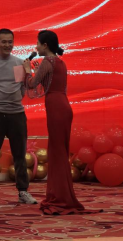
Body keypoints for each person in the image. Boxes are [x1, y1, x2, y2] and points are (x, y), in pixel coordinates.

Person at [23, 30, 85, 215]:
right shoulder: (59, 61)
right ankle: (61, 194)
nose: (36, 47)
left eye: (37, 43)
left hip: (56, 107)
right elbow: (49, 83)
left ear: (45, 45)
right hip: (63, 105)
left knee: (57, 152)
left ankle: (60, 198)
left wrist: (27, 71)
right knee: (60, 151)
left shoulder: (47, 61)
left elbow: (32, 85)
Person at [0, 29, 38, 206]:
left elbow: (22, 89)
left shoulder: (19, 64)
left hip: (16, 114)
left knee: (20, 154)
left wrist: (11, 103)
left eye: (10, 42)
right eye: (3, 42)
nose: (7, 45)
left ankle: (23, 191)